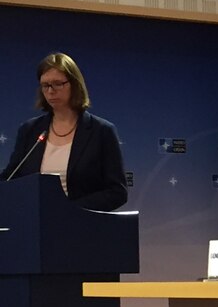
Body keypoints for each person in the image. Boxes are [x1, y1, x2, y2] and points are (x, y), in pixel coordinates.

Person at [3, 53, 127, 211]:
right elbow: (11, 178)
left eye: (58, 84)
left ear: (74, 85)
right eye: (45, 85)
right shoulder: (30, 130)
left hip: (82, 226)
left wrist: (69, 210)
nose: (51, 91)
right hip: (35, 224)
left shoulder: (101, 131)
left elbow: (117, 192)